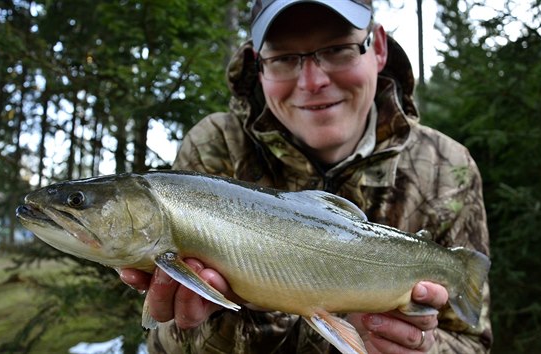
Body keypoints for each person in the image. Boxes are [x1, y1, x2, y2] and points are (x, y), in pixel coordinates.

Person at [120, 0, 492, 352]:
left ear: (377, 47)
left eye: (337, 49)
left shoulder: (446, 166)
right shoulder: (215, 145)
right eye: (284, 58)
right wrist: (215, 323)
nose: (312, 81)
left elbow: (472, 343)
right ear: (259, 64)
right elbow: (164, 343)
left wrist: (420, 350)